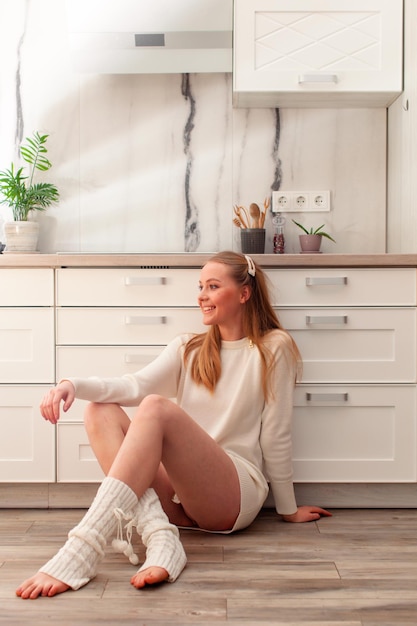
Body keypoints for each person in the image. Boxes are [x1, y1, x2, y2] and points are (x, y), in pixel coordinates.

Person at [16, 251, 331, 600]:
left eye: (213, 286)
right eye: (200, 286)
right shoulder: (189, 348)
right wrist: (71, 384)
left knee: (155, 408)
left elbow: (276, 434)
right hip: (179, 498)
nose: (201, 295)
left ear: (244, 293)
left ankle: (84, 547)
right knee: (99, 410)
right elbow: (132, 385)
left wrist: (287, 508)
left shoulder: (273, 348)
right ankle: (161, 537)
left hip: (231, 494)